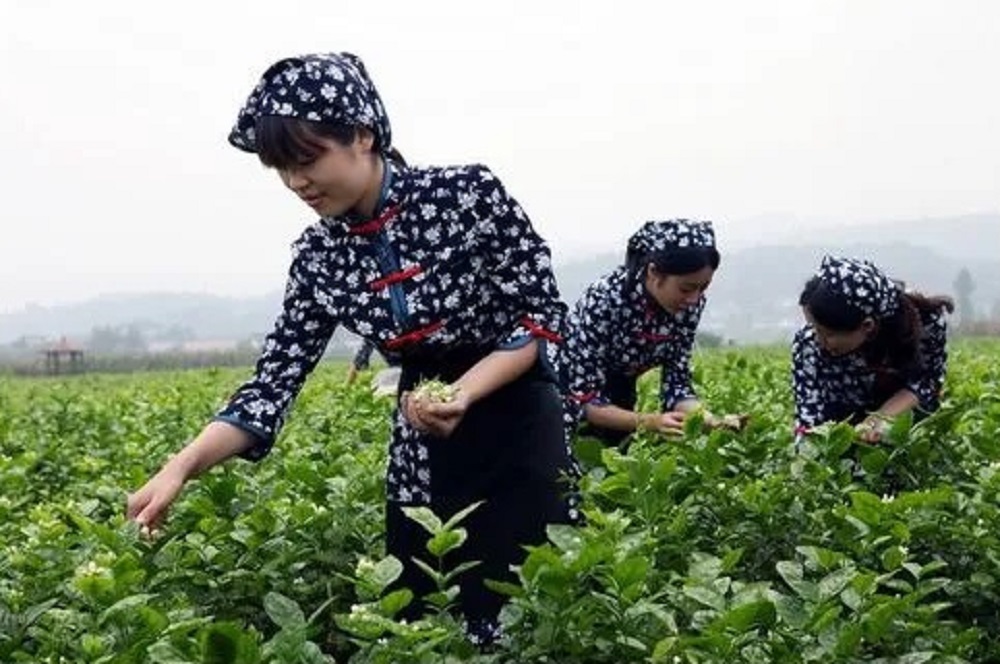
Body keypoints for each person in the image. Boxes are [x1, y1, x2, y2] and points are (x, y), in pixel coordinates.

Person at [126, 52, 574, 644]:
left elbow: (539, 319)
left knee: (532, 613)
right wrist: (180, 467)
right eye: (281, 169)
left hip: (518, 423)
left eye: (307, 160)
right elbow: (271, 386)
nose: (297, 183)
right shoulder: (318, 259)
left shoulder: (467, 195)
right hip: (422, 439)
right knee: (427, 624)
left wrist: (463, 392)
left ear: (363, 134)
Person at [560, 219, 732, 448]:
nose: (694, 299)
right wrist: (649, 421)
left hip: (621, 386)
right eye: (686, 288)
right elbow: (585, 400)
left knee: (616, 454)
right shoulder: (605, 300)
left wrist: (711, 420)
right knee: (576, 456)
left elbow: (677, 387)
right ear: (653, 273)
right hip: (565, 388)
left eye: (703, 288)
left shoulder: (688, 307)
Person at [792, 255, 954, 447]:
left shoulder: (925, 323)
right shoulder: (808, 344)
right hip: (841, 434)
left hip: (904, 426)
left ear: (867, 326)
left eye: (827, 334)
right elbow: (808, 421)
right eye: (813, 327)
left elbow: (927, 382)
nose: (818, 340)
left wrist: (881, 418)